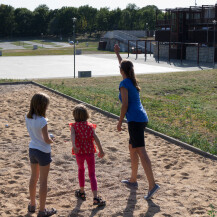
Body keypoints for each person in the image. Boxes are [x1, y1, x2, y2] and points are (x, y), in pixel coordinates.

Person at [114, 44, 160, 200]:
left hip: (135, 120)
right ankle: (133, 180)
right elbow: (124, 66)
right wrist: (117, 54)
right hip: (140, 118)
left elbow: (125, 105)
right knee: (132, 148)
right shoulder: (131, 80)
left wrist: (120, 122)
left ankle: (152, 185)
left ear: (122, 72)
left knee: (141, 151)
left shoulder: (124, 84)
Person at [25, 93, 57, 217]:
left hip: (32, 149)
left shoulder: (28, 117)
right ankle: (42, 211)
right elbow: (46, 139)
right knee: (43, 181)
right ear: (43, 106)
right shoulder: (42, 120)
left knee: (33, 178)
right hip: (43, 151)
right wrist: (52, 139)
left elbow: (36, 135)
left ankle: (32, 204)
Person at [69, 104, 106, 206]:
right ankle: (95, 197)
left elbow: (72, 136)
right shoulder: (90, 126)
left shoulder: (74, 126)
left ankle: (81, 192)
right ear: (86, 115)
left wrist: (74, 145)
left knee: (81, 170)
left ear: (74, 116)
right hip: (90, 152)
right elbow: (96, 138)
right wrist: (101, 150)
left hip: (79, 152)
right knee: (92, 174)